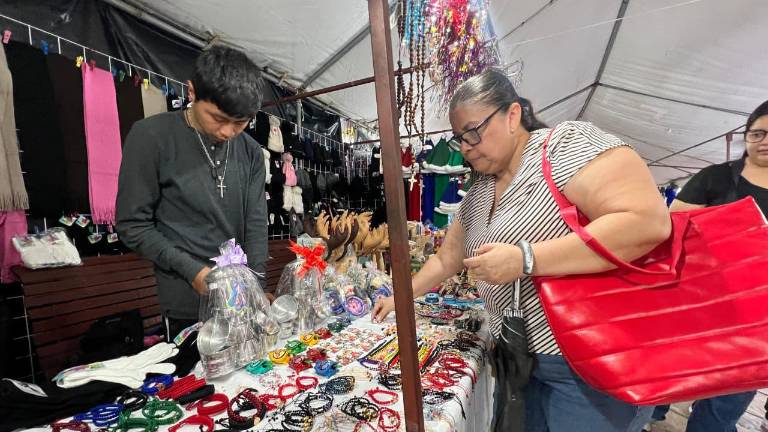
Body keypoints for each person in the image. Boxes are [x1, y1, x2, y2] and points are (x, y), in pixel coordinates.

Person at [372, 69, 671, 432]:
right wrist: (399, 297)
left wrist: (526, 259)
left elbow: (646, 221)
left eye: (473, 131)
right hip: (518, 359)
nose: (465, 146)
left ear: (512, 115)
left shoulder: (562, 147)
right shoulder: (481, 189)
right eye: (458, 138)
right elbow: (446, 258)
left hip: (587, 364)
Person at [116, 46, 269, 341]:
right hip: (186, 297)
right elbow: (132, 224)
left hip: (242, 300)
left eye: (240, 122)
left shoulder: (250, 151)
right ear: (191, 92)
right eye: (218, 118)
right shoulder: (150, 137)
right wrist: (192, 271)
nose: (228, 132)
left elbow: (256, 221)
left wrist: (257, 287)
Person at [649, 100, 768, 432]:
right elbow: (672, 230)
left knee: (724, 406)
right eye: (758, 133)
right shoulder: (715, 178)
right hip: (696, 304)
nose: (765, 141)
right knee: (664, 380)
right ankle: (651, 420)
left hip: (756, 321)